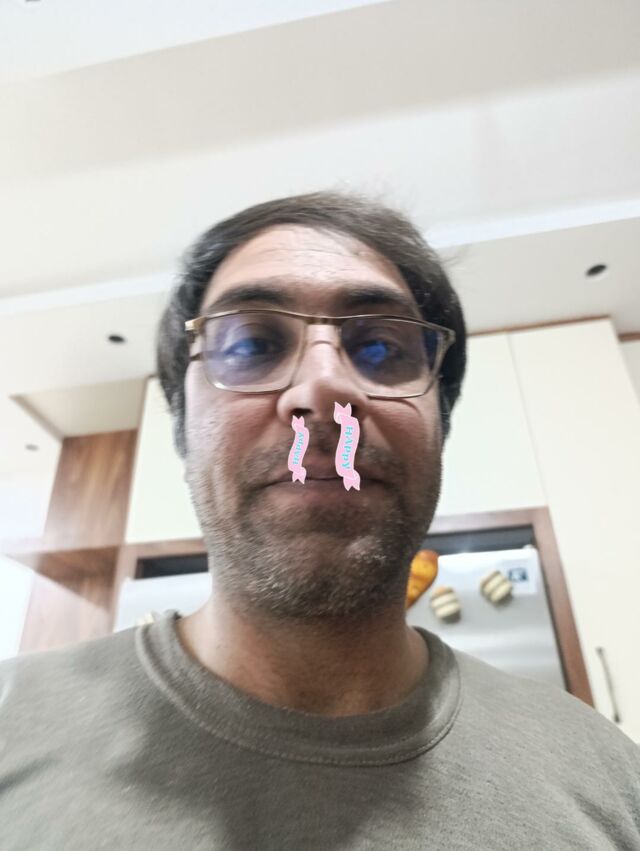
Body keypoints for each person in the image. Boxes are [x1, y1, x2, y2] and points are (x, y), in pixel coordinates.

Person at [1, 192, 638, 850]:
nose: (326, 388)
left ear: (438, 428)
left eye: (382, 348)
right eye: (252, 344)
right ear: (184, 430)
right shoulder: (12, 722)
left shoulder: (609, 780)